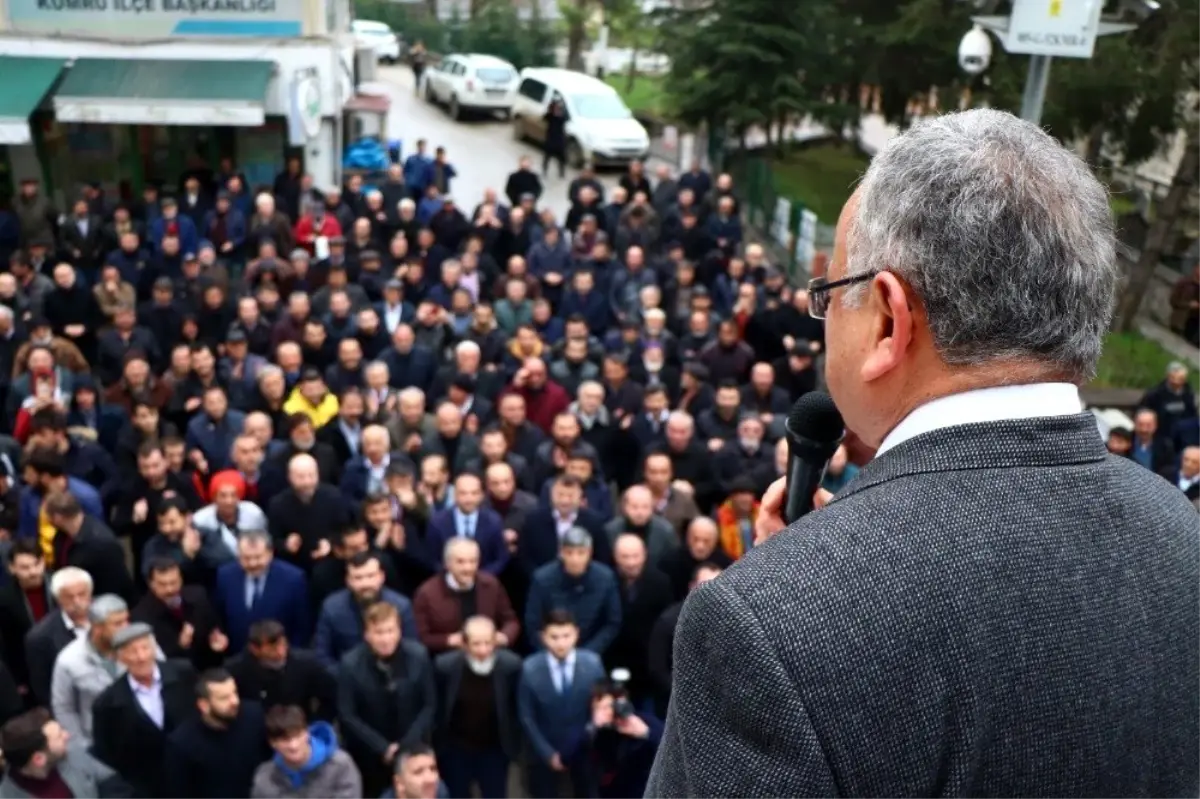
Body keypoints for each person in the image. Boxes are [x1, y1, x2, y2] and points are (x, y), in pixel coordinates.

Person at [647, 109, 1200, 796]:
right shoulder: (1183, 534)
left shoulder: (763, 628)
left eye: (829, 295)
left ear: (886, 318)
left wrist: (796, 590)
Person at [337, 601, 436, 797]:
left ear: (399, 631)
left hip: (413, 749)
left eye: (390, 631)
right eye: (379, 632)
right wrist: (382, 747)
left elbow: (429, 704)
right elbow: (347, 714)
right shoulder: (350, 664)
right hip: (370, 755)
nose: (385, 639)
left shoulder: (419, 655)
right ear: (367, 634)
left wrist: (407, 745)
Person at [90, 622, 198, 799]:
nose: (141, 657)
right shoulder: (107, 704)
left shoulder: (183, 673)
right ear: (120, 657)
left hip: (191, 780)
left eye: (145, 648)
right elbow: (107, 757)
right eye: (132, 651)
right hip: (146, 790)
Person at [518, 608, 606, 799]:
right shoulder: (530, 668)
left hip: (584, 751)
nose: (560, 643)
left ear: (576, 634)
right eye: (554, 637)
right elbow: (527, 717)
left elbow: (599, 709)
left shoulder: (593, 664)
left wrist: (587, 738)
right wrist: (548, 753)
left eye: (566, 636)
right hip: (544, 753)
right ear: (543, 637)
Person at [432, 616, 521, 799]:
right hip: (457, 749)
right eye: (476, 644)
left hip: (494, 749)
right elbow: (438, 708)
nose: (483, 650)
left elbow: (515, 709)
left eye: (488, 643)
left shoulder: (511, 666)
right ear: (464, 644)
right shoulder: (445, 666)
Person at [165, 668, 269, 799]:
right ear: (204, 705)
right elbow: (180, 791)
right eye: (224, 698)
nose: (234, 701)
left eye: (234, 693)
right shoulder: (182, 743)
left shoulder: (254, 716)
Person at [0, 707, 129, 799]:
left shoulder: (72, 752)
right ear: (39, 759)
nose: (67, 735)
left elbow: (111, 782)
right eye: (59, 736)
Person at [565, 680, 663, 798]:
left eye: (614, 705)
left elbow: (669, 746)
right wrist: (593, 728)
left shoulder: (643, 721)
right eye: (603, 707)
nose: (611, 711)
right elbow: (566, 756)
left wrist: (645, 733)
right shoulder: (588, 731)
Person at [227, 619, 337, 723]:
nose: (281, 651)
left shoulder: (305, 663)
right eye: (273, 648)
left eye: (283, 644)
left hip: (297, 727)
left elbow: (329, 697)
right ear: (255, 649)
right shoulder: (236, 670)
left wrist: (315, 724)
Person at [251, 704, 362, 799]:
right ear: (273, 743)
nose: (293, 746)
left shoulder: (340, 765)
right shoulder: (265, 777)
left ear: (307, 733)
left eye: (297, 736)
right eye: (285, 740)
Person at [24, 566, 93, 707]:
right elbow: (44, 690)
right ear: (58, 599)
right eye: (69, 597)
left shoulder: (109, 616)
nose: (77, 601)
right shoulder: (40, 638)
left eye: (82, 594)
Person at [542, 99, 568, 179]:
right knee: (547, 157)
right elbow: (544, 117)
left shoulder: (563, 117)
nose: (557, 109)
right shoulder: (550, 116)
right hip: (550, 139)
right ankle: (544, 171)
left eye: (559, 108)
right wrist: (550, 110)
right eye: (556, 107)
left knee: (562, 158)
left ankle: (561, 172)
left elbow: (565, 119)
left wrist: (560, 113)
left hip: (559, 140)